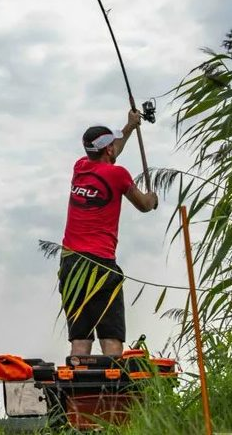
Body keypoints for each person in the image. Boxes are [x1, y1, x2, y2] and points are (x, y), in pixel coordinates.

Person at [59, 109, 159, 357]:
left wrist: (130, 127)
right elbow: (144, 205)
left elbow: (111, 155)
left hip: (71, 263)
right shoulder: (118, 175)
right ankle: (113, 393)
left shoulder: (80, 167)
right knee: (111, 338)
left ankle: (78, 393)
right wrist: (153, 198)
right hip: (100, 263)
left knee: (80, 339)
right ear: (109, 150)